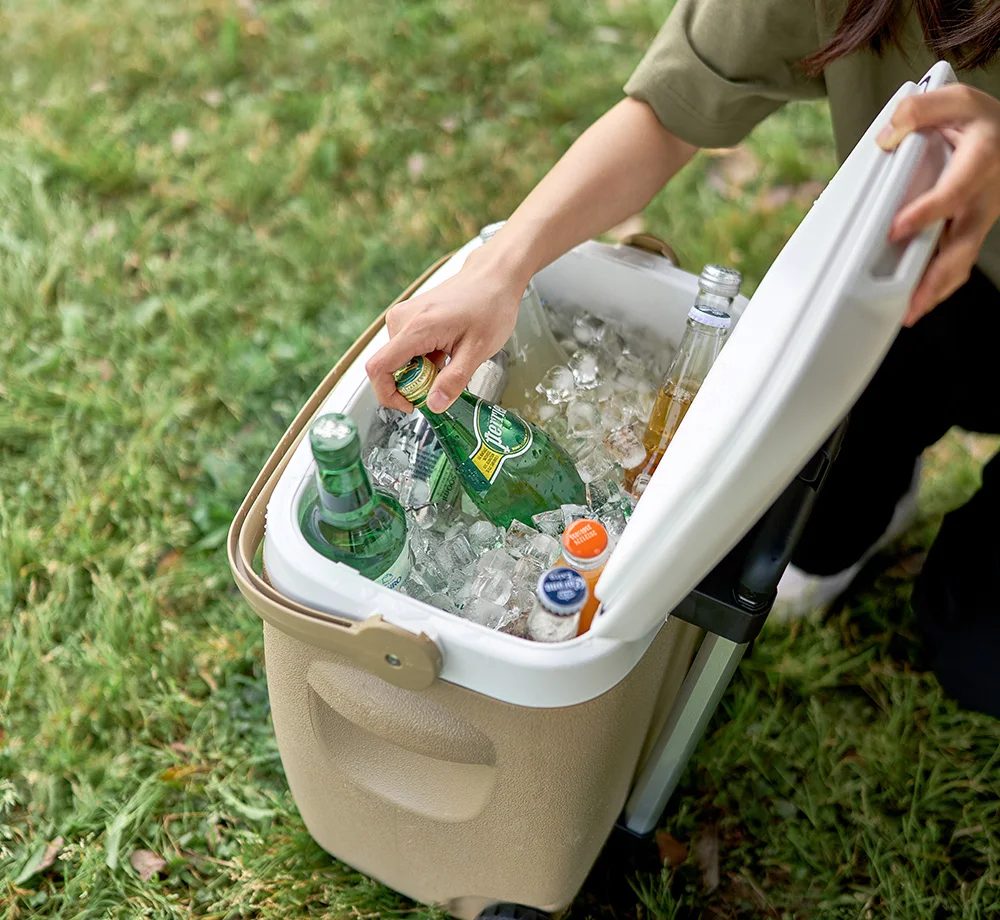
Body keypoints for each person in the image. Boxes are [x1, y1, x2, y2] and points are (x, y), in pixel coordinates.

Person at [365, 0, 1000, 716]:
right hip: (940, 274)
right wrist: (502, 267)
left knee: (980, 655)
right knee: (786, 517)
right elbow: (668, 111)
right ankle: (876, 482)